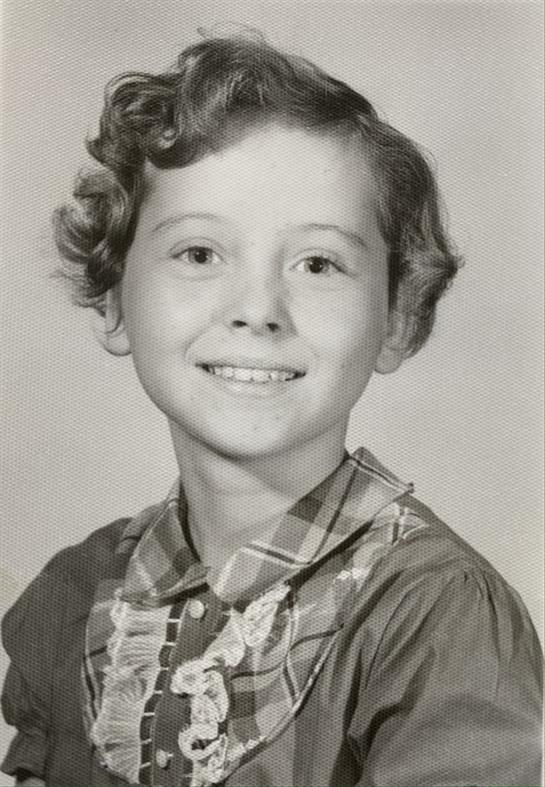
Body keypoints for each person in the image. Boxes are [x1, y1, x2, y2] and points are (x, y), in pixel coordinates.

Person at [1, 31, 542, 787]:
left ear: (399, 316)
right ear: (114, 297)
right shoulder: (70, 600)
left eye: (317, 263)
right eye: (198, 253)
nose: (257, 309)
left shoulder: (432, 620)